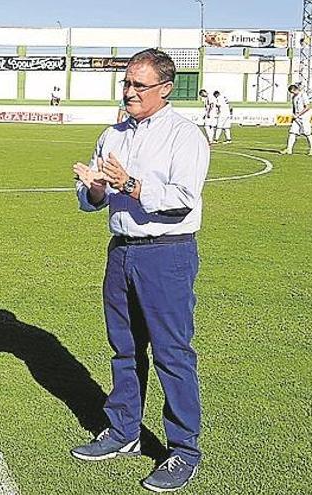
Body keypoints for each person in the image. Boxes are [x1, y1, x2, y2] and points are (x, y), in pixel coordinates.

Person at [71, 48, 208, 493]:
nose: (129, 92)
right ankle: (124, 431)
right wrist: (93, 189)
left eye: (139, 85)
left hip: (167, 254)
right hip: (122, 251)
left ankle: (183, 449)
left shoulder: (185, 136)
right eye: (126, 83)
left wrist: (130, 184)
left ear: (165, 89)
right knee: (124, 349)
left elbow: (184, 196)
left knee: (172, 354)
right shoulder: (112, 135)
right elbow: (93, 201)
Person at [281, 84, 312, 155]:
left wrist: (299, 114)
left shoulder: (303, 95)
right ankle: (289, 149)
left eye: (293, 92)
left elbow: (307, 107)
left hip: (304, 117)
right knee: (292, 132)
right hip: (296, 118)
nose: (292, 94)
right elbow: (294, 107)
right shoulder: (294, 97)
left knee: (307, 133)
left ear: (296, 89)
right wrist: (294, 115)